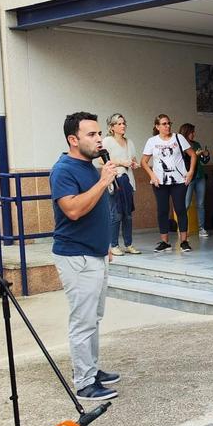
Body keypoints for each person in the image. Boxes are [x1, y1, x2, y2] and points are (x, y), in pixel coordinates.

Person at [50, 112, 120, 400]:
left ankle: (91, 368)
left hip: (95, 253)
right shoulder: (64, 170)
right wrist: (103, 182)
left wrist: (104, 244)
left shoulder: (91, 167)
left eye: (99, 133)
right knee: (83, 320)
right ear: (73, 139)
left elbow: (96, 211)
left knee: (94, 317)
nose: (99, 138)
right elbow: (74, 210)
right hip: (76, 256)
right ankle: (84, 382)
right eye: (91, 134)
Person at [141, 114, 197, 253]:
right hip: (159, 182)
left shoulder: (179, 138)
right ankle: (165, 242)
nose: (167, 126)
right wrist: (152, 175)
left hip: (179, 180)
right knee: (162, 211)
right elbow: (144, 161)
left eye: (169, 123)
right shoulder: (152, 141)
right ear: (157, 126)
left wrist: (190, 172)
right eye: (164, 124)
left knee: (180, 209)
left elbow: (193, 155)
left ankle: (184, 241)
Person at [101, 113, 140, 256]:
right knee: (116, 214)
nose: (122, 126)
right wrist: (121, 163)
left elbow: (134, 159)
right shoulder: (107, 141)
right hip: (115, 182)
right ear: (112, 127)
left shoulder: (129, 142)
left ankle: (128, 244)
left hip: (128, 181)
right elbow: (101, 161)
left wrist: (133, 164)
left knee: (128, 214)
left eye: (124, 123)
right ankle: (114, 245)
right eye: (119, 124)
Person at [179, 123, 211, 238]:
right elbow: (181, 160)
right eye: (192, 132)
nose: (193, 134)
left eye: (194, 132)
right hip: (188, 177)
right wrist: (194, 155)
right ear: (186, 133)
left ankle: (202, 228)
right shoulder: (181, 144)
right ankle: (183, 229)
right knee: (186, 204)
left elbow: (204, 161)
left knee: (201, 204)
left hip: (200, 176)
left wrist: (205, 155)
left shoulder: (196, 144)